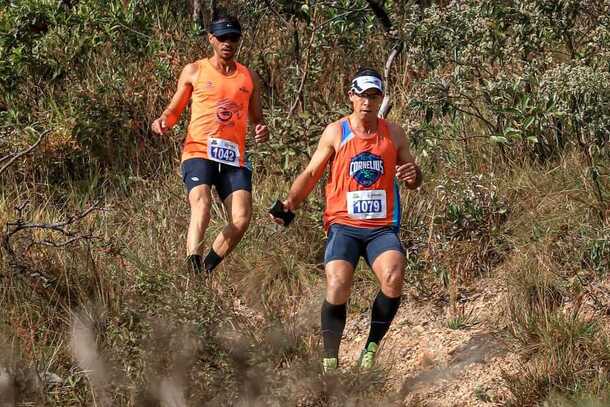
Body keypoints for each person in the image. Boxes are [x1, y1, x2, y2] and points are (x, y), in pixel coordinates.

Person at [271, 68, 422, 372]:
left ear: (380, 99)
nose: (367, 102)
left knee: (393, 276)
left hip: (381, 228)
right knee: (338, 283)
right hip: (344, 225)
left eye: (373, 96)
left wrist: (413, 175)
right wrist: (290, 203)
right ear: (351, 96)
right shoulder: (336, 132)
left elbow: (413, 177)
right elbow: (312, 172)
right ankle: (330, 359)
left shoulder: (393, 132)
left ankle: (371, 348)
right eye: (362, 95)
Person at [151, 12, 268, 274]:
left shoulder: (249, 77)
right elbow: (174, 109)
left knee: (241, 218)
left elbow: (258, 118)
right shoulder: (194, 70)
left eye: (233, 38)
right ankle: (192, 267)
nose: (228, 43)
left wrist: (261, 129)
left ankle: (205, 270)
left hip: (233, 157)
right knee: (201, 203)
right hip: (198, 151)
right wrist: (162, 122)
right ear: (211, 39)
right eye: (223, 37)